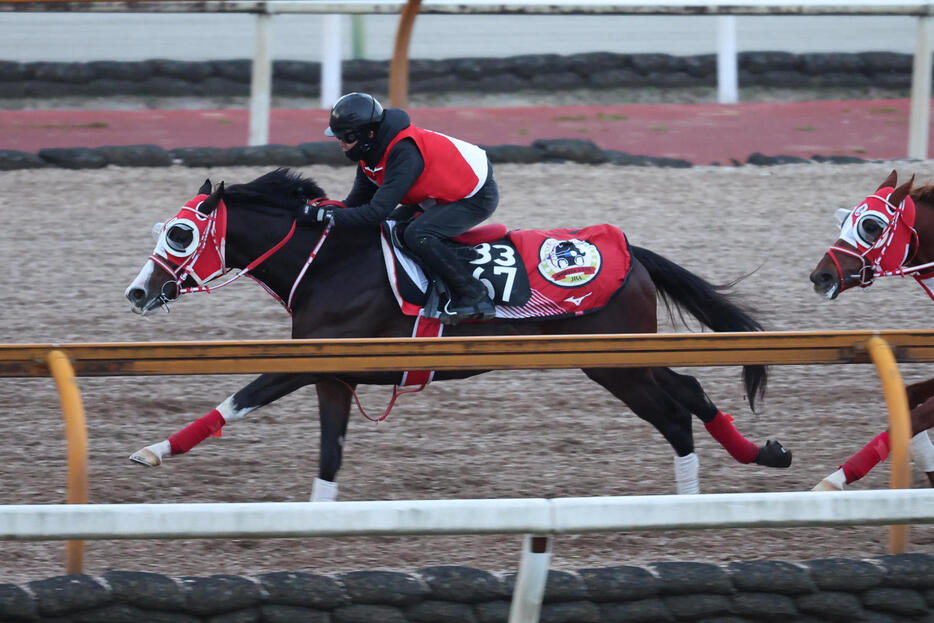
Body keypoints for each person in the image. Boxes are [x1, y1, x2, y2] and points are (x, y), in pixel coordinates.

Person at [306, 92, 498, 325]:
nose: (341, 143)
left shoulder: (404, 153)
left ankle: (475, 296)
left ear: (370, 133)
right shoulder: (370, 153)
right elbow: (354, 206)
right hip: (437, 192)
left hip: (476, 195)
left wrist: (329, 217)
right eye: (338, 137)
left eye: (346, 137)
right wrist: (319, 210)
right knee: (390, 228)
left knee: (418, 234)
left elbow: (375, 212)